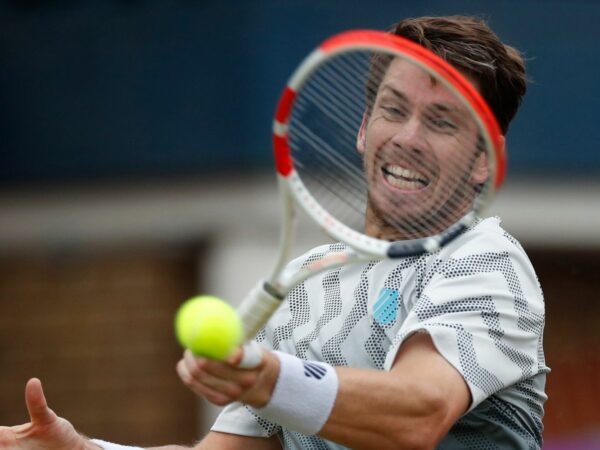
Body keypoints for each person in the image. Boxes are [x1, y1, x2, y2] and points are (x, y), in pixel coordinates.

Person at [0, 14, 548, 450]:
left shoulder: (487, 260)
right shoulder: (304, 283)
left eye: (442, 121)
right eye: (393, 109)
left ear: (484, 160)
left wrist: (265, 378)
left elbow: (418, 413)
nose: (408, 137)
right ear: (363, 128)